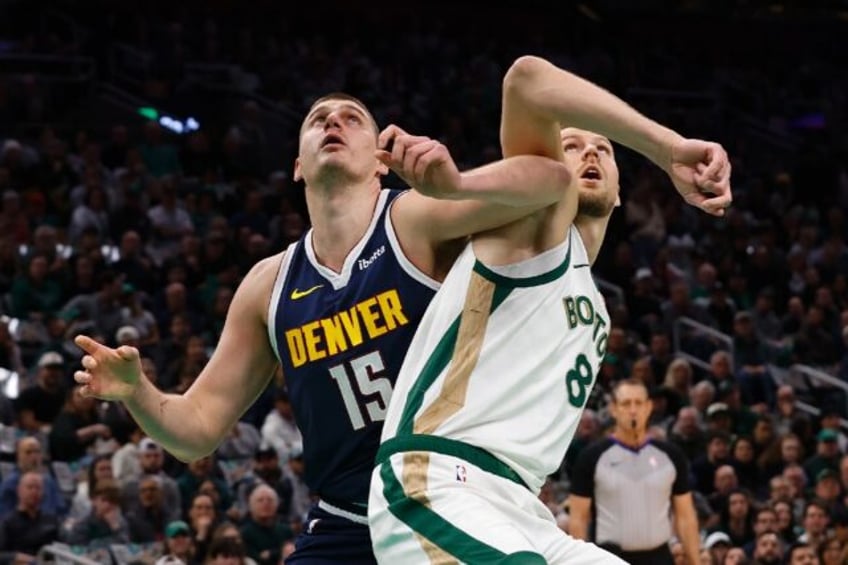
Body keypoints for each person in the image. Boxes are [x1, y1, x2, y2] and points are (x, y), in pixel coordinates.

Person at [73, 90, 583, 564]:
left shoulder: (413, 219)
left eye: (351, 118)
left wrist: (456, 184)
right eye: (318, 120)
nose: (332, 121)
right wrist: (138, 392)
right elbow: (197, 431)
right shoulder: (267, 285)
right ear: (298, 166)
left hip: (446, 499)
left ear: (381, 162)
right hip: (345, 519)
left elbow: (547, 185)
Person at [368, 55, 730, 563]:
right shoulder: (534, 227)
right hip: (439, 482)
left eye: (603, 148)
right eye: (572, 145)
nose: (588, 154)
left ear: (621, 191)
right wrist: (667, 148)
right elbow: (527, 80)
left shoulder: (593, 302)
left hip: (521, 509)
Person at [568, 379, 700, 564]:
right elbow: (578, 519)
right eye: (626, 403)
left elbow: (686, 516)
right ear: (613, 408)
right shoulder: (591, 457)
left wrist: (696, 561)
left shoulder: (671, 456)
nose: (633, 410)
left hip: (660, 557)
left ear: (648, 407)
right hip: (610, 558)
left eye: (638, 403)